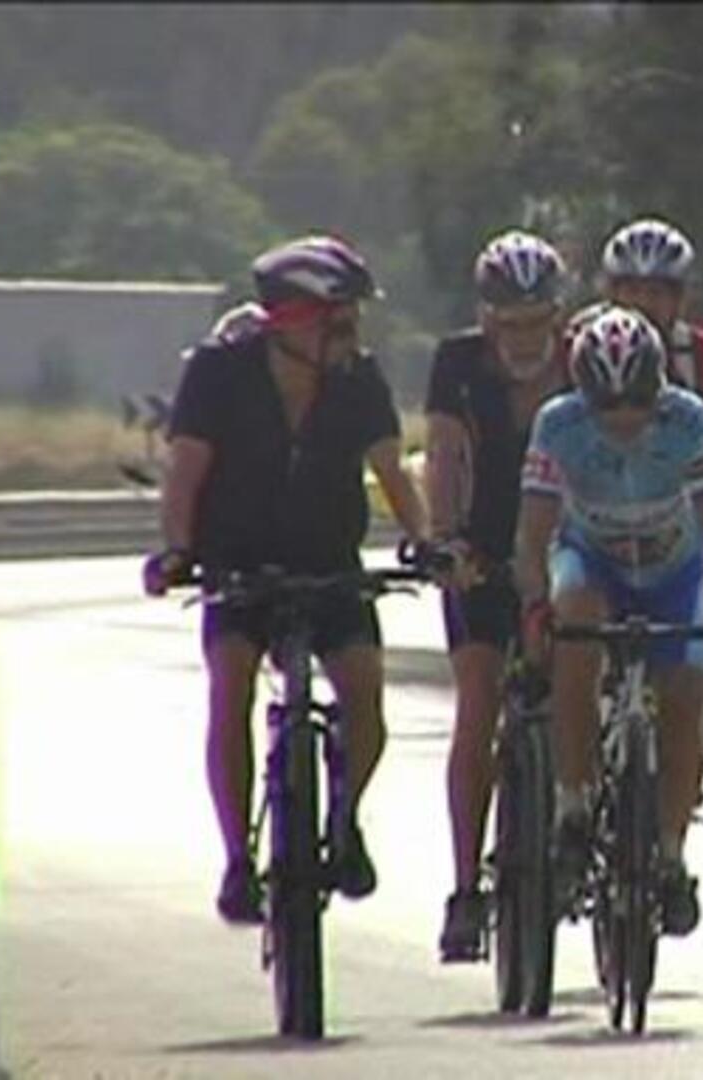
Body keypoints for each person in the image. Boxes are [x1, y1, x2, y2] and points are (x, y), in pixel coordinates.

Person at [142, 234, 438, 925]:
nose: (352, 335)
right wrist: (178, 551)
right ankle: (239, 860)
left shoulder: (359, 381)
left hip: (328, 561)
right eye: (339, 320)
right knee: (232, 682)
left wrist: (427, 544)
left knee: (364, 689)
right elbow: (185, 473)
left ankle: (344, 818)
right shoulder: (219, 373)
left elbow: (394, 472)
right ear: (290, 320)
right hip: (237, 563)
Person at [514, 304, 703, 939]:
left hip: (676, 570)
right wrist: (535, 606)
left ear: (659, 391)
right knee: (574, 631)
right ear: (583, 397)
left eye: (637, 409)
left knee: (684, 703)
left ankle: (672, 857)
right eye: (608, 412)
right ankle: (571, 803)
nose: (623, 425)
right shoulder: (557, 425)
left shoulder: (689, 419)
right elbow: (533, 535)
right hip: (593, 562)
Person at [424, 230, 572, 962]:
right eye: (508, 324)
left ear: (559, 315)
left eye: (536, 322)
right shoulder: (457, 364)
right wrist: (444, 539)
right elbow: (445, 456)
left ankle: (582, 821)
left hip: (565, 548)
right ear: (485, 319)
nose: (523, 339)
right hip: (481, 550)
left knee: (580, 678)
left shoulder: (583, 362)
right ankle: (464, 888)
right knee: (478, 703)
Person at [597, 218, 703, 612]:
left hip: (679, 529)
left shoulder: (699, 353)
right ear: (611, 294)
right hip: (599, 519)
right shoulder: (580, 344)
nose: (642, 304)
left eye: (656, 292)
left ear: (680, 299)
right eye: (632, 291)